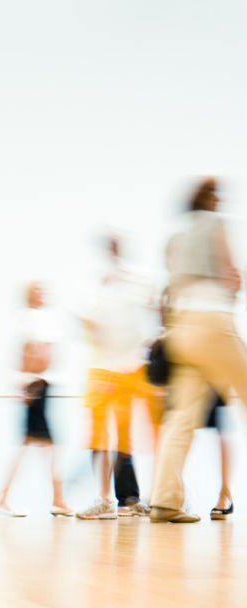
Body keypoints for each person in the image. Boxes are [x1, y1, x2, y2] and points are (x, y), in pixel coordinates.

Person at [151, 178, 245, 523]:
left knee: (182, 417)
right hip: (212, 325)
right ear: (212, 200)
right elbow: (231, 275)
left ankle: (164, 501)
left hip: (181, 330)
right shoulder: (215, 224)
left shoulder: (179, 236)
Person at [77, 236, 156, 519]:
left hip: (127, 370)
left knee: (124, 438)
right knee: (100, 437)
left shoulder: (134, 283)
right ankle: (106, 499)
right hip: (104, 370)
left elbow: (150, 309)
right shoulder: (100, 290)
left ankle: (128, 500)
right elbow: (90, 327)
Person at [0, 282, 73, 517]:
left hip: (41, 385)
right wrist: (26, 387)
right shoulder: (28, 319)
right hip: (35, 386)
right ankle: (7, 499)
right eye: (37, 291)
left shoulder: (43, 319)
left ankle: (54, 499)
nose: (42, 294)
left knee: (40, 446)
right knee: (41, 446)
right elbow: (28, 352)